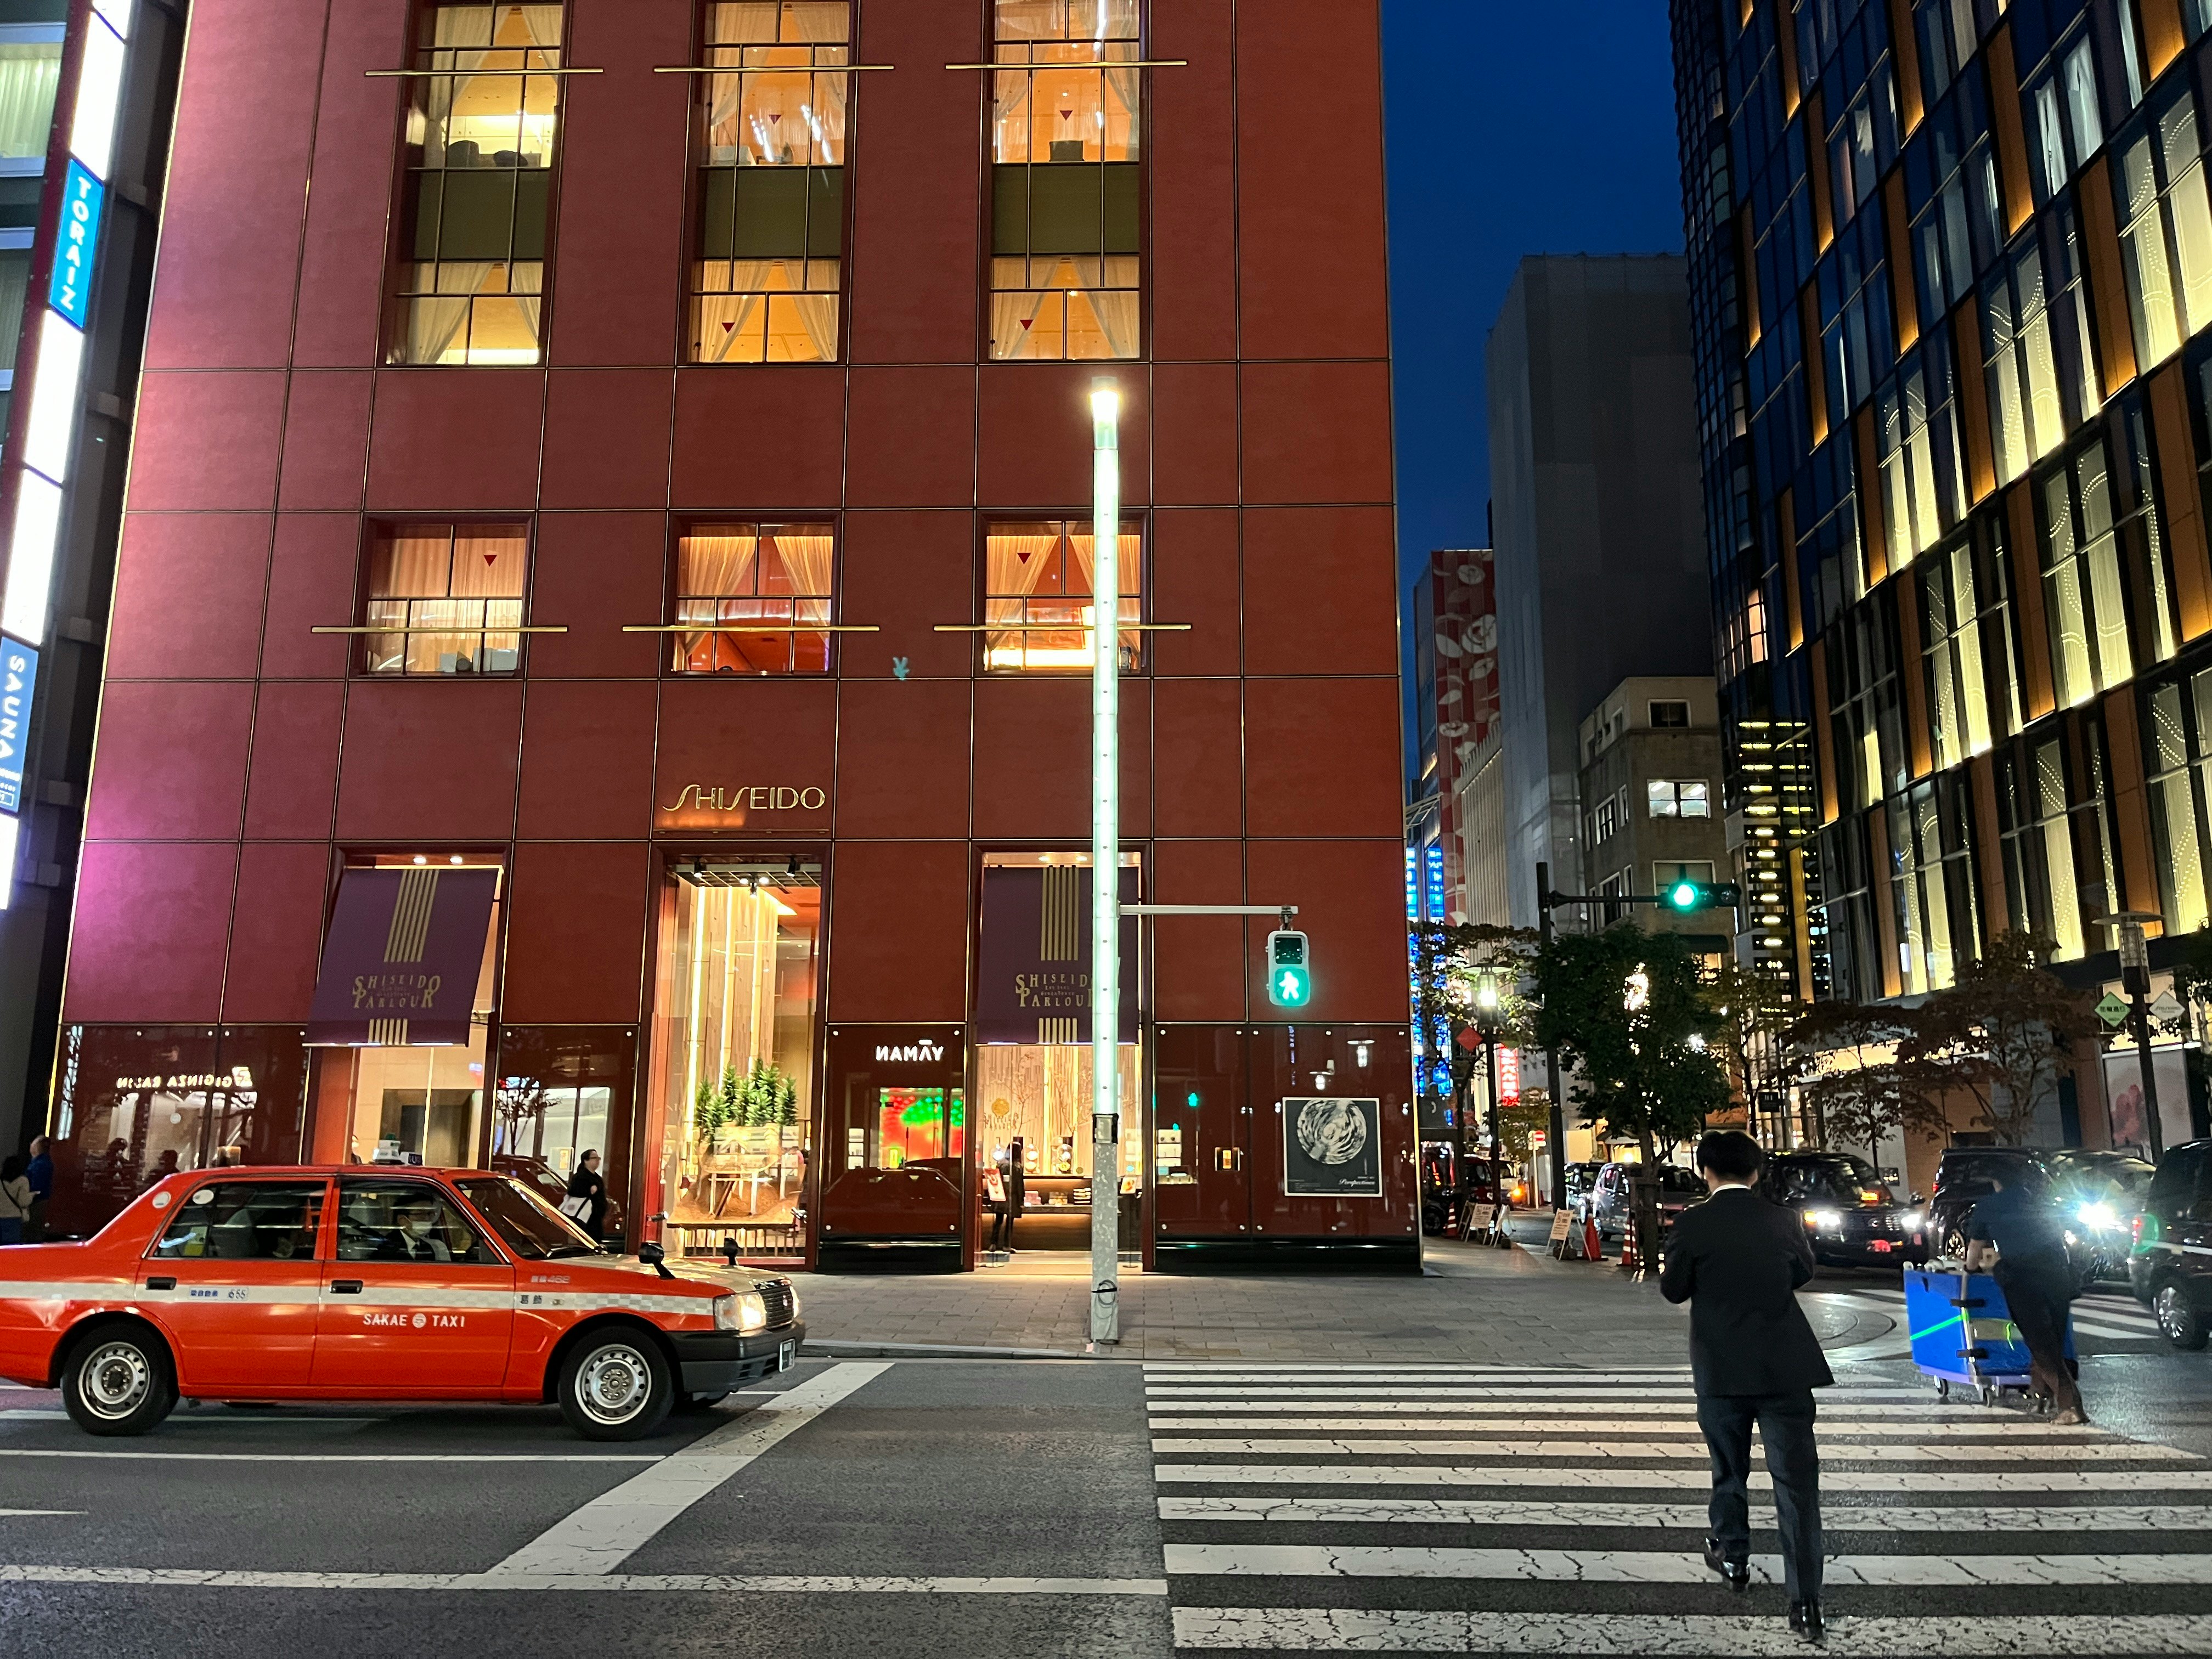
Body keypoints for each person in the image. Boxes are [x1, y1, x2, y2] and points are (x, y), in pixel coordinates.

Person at [1660, 1128, 1832, 1643]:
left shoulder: (1693, 1223)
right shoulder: (1783, 1220)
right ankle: (1806, 1603)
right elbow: (1804, 1273)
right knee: (1797, 1484)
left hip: (1720, 1367)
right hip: (1785, 1366)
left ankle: (1733, 1556)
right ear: (1756, 1172)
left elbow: (1673, 1290)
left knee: (1728, 1469)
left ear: (1705, 1171)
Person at [1963, 1165, 2083, 1423]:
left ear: (1997, 1183)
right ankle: (2041, 1397)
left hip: (2023, 1278)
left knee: (2041, 1344)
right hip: (2058, 1274)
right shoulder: (2041, 1201)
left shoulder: (1990, 1205)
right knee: (2054, 1339)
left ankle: (2071, 1408)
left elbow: (1974, 1248)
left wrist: (1970, 1269)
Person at [379, 1197, 454, 1262]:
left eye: (430, 1214)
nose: (427, 1219)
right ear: (402, 1220)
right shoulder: (386, 1249)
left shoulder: (429, 1247)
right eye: (420, 1214)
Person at [565, 1149, 610, 1242]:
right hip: (585, 1218)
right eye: (594, 1158)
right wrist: (589, 1191)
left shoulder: (597, 1177)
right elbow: (574, 1193)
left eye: (598, 1158)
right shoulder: (580, 1176)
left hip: (596, 1217)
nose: (598, 1161)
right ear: (586, 1160)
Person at [24, 1135, 52, 1242]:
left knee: (33, 1228)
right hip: (39, 1200)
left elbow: (36, 1186)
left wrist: (28, 1197)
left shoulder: (39, 1165)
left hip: (36, 1201)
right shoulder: (43, 1163)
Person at [0, 1155, 31, 1245]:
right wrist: (31, 1197)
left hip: (1, 1216)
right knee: (13, 1247)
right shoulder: (23, 1181)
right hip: (14, 1217)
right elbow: (23, 1201)